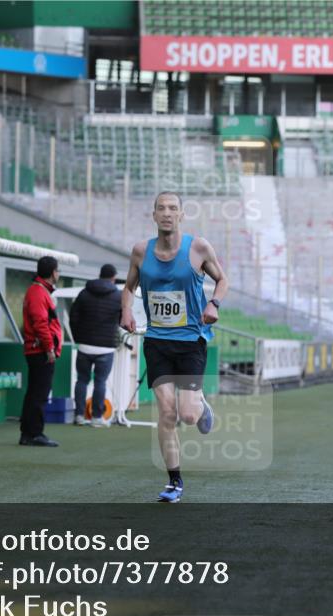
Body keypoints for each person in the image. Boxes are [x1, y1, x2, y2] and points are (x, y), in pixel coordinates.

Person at [120, 192, 229, 503]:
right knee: (167, 414)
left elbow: (222, 279)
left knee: (189, 416)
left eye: (173, 209)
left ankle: (200, 404)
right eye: (161, 208)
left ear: (181, 215)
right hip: (157, 343)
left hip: (191, 341)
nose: (167, 213)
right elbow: (129, 287)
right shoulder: (141, 251)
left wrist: (214, 303)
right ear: (154, 215)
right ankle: (174, 482)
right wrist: (125, 309)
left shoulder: (198, 248)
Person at [69, 263, 122, 427]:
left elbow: (73, 317)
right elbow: (122, 320)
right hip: (106, 347)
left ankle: (78, 415)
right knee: (100, 381)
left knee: (82, 380)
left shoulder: (84, 293)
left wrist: (78, 337)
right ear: (113, 278)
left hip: (84, 345)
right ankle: (97, 417)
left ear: (100, 275)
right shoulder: (118, 296)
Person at [19, 256, 63, 447]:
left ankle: (28, 433)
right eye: (58, 270)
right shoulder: (38, 292)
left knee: (35, 393)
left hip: (37, 349)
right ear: (53, 272)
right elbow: (40, 324)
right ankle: (34, 433)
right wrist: (49, 348)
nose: (59, 273)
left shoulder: (38, 291)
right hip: (40, 351)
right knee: (39, 393)